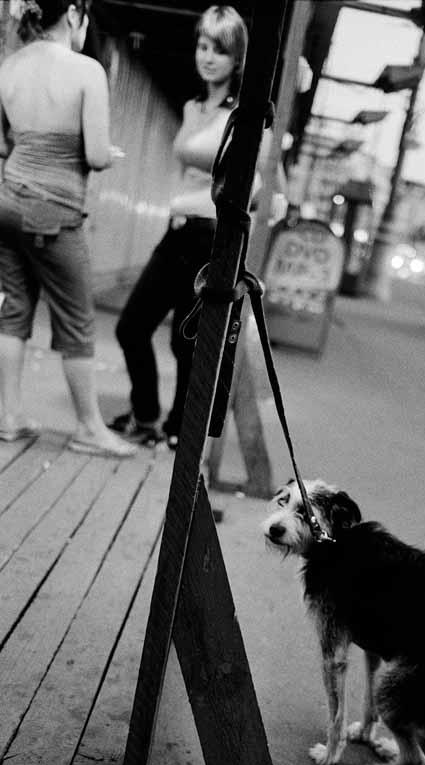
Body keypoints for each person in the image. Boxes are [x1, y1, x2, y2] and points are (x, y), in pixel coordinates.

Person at [110, 4, 250, 450]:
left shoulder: (243, 114)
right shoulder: (193, 106)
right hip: (178, 229)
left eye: (220, 50)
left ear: (237, 58)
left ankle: (176, 429)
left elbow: (266, 185)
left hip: (210, 236)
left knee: (185, 341)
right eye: (203, 46)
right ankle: (148, 415)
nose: (208, 57)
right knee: (131, 327)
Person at [0, 0, 136, 457]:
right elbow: (96, 155)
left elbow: (3, 144)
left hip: (7, 200)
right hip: (54, 209)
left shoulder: (9, 67)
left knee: (14, 308)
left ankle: (9, 416)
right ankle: (89, 428)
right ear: (75, 14)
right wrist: (107, 154)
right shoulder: (86, 71)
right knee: (77, 321)